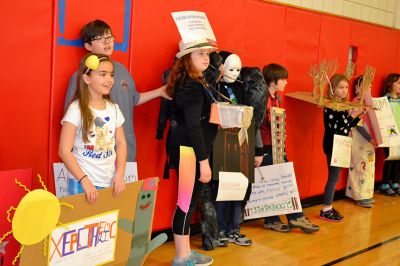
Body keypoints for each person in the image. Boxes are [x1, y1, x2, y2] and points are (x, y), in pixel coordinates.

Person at [64, 19, 169, 162]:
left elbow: (133, 99)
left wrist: (160, 91)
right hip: (94, 156)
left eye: (109, 37)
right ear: (88, 45)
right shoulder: (80, 77)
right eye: (100, 38)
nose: (107, 42)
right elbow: (70, 123)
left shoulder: (122, 70)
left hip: (125, 151)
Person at [166, 39, 218, 266]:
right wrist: (203, 161)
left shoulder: (198, 81)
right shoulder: (191, 86)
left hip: (192, 150)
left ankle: (186, 253)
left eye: (207, 53)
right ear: (187, 58)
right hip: (189, 152)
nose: (206, 58)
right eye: (199, 54)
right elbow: (193, 126)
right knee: (185, 203)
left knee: (189, 200)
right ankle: (181, 257)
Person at [59, 54, 127, 204]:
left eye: (111, 75)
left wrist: (120, 174)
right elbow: (64, 151)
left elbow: (121, 143)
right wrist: (84, 181)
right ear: (87, 78)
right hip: (82, 183)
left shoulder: (114, 109)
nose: (109, 79)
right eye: (102, 74)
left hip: (110, 183)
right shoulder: (76, 109)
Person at [260, 64, 319, 233]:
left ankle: (275, 219)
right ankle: (293, 217)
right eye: (283, 79)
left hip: (276, 146)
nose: (286, 82)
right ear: (273, 81)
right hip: (265, 147)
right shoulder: (262, 98)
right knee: (281, 182)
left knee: (281, 182)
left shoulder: (276, 98)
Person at [320, 74, 365, 221]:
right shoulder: (331, 106)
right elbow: (338, 127)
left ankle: (329, 206)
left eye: (346, 87)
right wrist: (353, 115)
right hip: (334, 144)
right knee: (333, 177)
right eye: (340, 87)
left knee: (335, 176)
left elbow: (348, 126)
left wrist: (359, 115)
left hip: (342, 144)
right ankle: (326, 209)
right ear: (333, 89)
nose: (344, 90)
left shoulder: (343, 105)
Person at [346, 75, 376, 207]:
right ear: (357, 87)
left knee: (369, 166)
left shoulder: (369, 103)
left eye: (370, 86)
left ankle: (367, 193)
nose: (368, 89)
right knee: (360, 166)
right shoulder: (355, 103)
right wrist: (370, 138)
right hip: (360, 139)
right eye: (365, 86)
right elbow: (358, 124)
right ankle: (359, 195)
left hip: (369, 141)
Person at [379, 73, 400, 196]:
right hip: (389, 135)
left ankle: (395, 183)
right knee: (390, 158)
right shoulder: (385, 100)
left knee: (398, 159)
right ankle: (384, 184)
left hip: (399, 134)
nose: (399, 86)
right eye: (398, 83)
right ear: (390, 84)